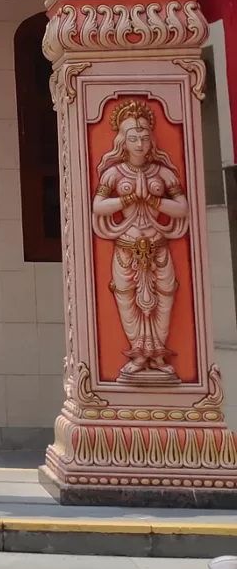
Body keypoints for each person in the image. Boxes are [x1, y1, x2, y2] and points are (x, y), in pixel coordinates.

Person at [92, 98, 189, 382]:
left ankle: (157, 355)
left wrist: (154, 201)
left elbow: (182, 208)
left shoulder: (163, 173)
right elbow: (98, 206)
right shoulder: (113, 173)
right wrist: (128, 198)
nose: (139, 143)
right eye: (133, 137)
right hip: (126, 248)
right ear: (122, 140)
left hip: (158, 246)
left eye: (145, 137)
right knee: (127, 299)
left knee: (165, 297)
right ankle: (137, 353)